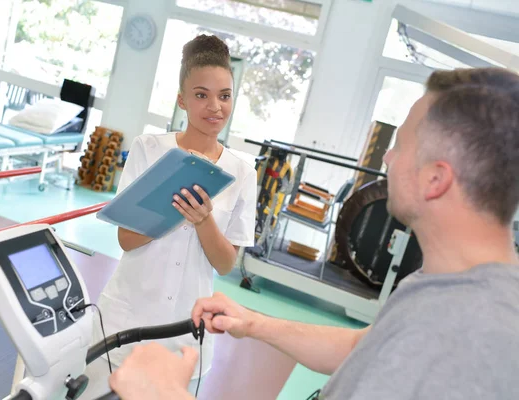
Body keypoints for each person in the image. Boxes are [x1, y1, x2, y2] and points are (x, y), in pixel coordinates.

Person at [106, 66, 519, 399]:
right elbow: (363, 348)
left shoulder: (473, 337)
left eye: (401, 145)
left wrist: (162, 395)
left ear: (435, 179)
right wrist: (255, 323)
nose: (388, 157)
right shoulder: (447, 286)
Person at [81, 34, 257, 398]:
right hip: (124, 321)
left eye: (225, 96)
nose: (215, 107)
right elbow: (126, 240)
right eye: (201, 94)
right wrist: (174, 200)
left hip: (186, 330)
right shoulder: (149, 149)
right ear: (182, 99)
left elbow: (225, 264)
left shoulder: (242, 172)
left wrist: (204, 219)